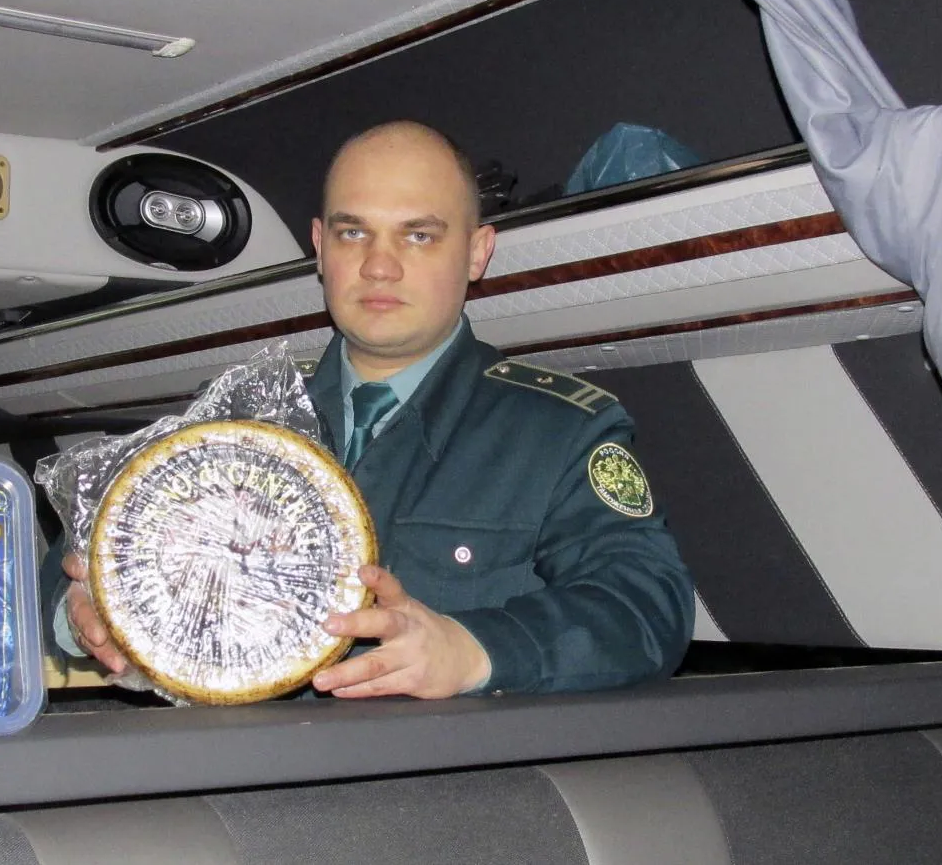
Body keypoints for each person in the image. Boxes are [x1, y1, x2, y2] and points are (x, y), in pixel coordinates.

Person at [49, 121, 695, 698]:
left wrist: (472, 650)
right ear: (320, 246)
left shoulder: (556, 433)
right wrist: (80, 608)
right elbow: (78, 548)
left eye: (419, 235)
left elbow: (644, 607)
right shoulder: (239, 418)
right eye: (353, 232)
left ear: (477, 252)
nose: (379, 266)